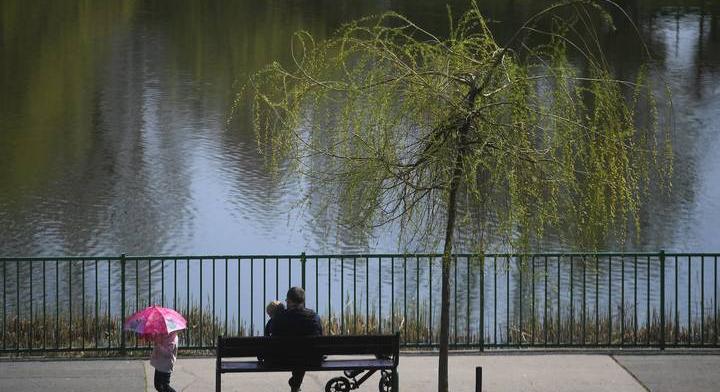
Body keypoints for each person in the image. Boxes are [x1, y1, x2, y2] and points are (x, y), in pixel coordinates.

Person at [270, 287, 323, 392]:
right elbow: (319, 335)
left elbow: (271, 334)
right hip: (311, 360)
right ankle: (295, 384)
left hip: (282, 360)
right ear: (302, 301)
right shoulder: (314, 317)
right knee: (302, 353)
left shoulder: (279, 317)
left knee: (295, 353)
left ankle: (295, 384)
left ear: (289, 301)